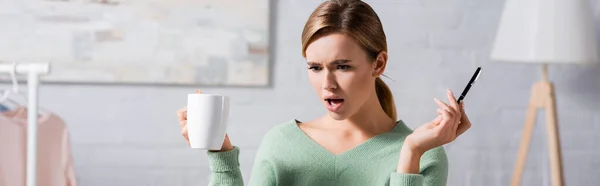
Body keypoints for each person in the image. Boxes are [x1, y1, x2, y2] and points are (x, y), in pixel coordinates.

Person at [176, 0, 472, 185]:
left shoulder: (425, 155)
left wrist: (411, 153)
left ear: (378, 63)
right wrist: (221, 153)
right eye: (315, 68)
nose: (327, 83)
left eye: (342, 66)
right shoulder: (282, 144)